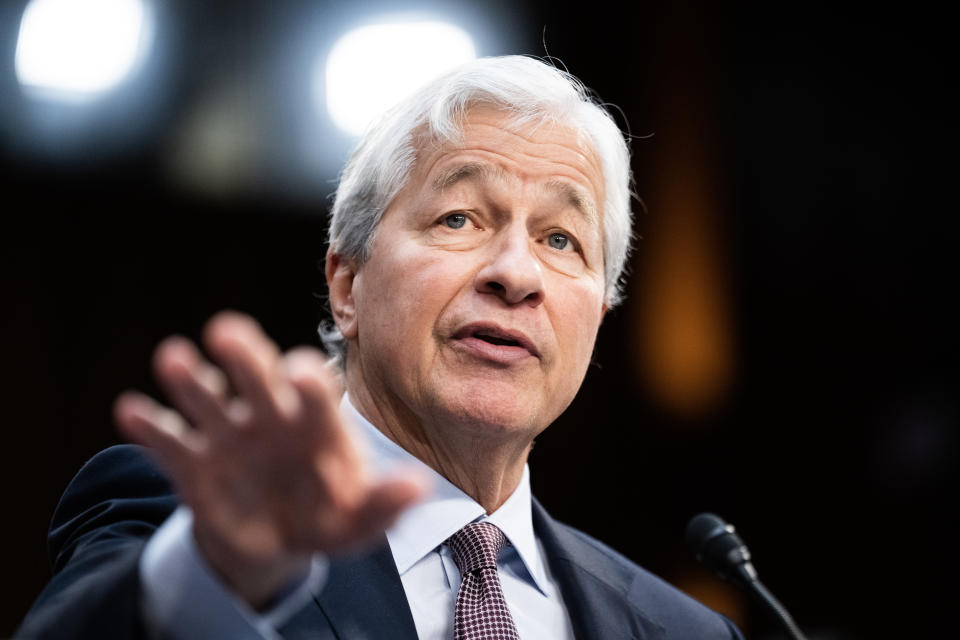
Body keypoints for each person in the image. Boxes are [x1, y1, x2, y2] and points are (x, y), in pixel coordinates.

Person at [17, 56, 743, 639]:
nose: (517, 275)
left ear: (601, 313)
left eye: (560, 239)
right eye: (460, 218)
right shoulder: (185, 520)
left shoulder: (681, 628)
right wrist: (213, 575)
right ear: (347, 282)